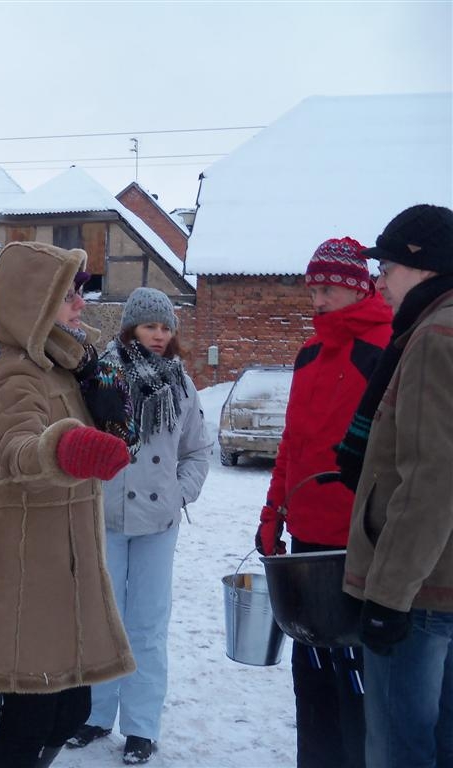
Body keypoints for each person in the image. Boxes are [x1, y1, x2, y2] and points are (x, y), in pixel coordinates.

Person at [0, 241, 135, 768]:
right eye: (69, 295)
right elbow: (11, 451)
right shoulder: (15, 373)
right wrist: (63, 447)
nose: (81, 304)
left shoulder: (68, 368)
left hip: (69, 566)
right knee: (28, 718)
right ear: (35, 302)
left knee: (70, 708)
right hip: (28, 568)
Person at [254, 237, 393, 768]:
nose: (317, 300)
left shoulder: (384, 350)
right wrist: (273, 514)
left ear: (358, 288)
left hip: (362, 546)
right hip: (306, 545)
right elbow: (292, 443)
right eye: (312, 289)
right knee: (311, 679)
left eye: (328, 289)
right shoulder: (309, 354)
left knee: (357, 688)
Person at [69, 286, 211, 764]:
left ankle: (142, 727)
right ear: (130, 326)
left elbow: (197, 450)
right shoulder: (98, 376)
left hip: (157, 521)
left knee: (147, 625)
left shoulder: (181, 385)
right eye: (150, 325)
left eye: (166, 327)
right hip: (104, 514)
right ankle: (94, 715)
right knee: (101, 617)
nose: (158, 335)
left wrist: (180, 492)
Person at [337, 204, 453, 768]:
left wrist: (387, 596)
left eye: (386, 267)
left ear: (423, 266)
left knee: (400, 749)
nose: (379, 280)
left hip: (422, 591)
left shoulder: (434, 336)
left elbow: (432, 477)